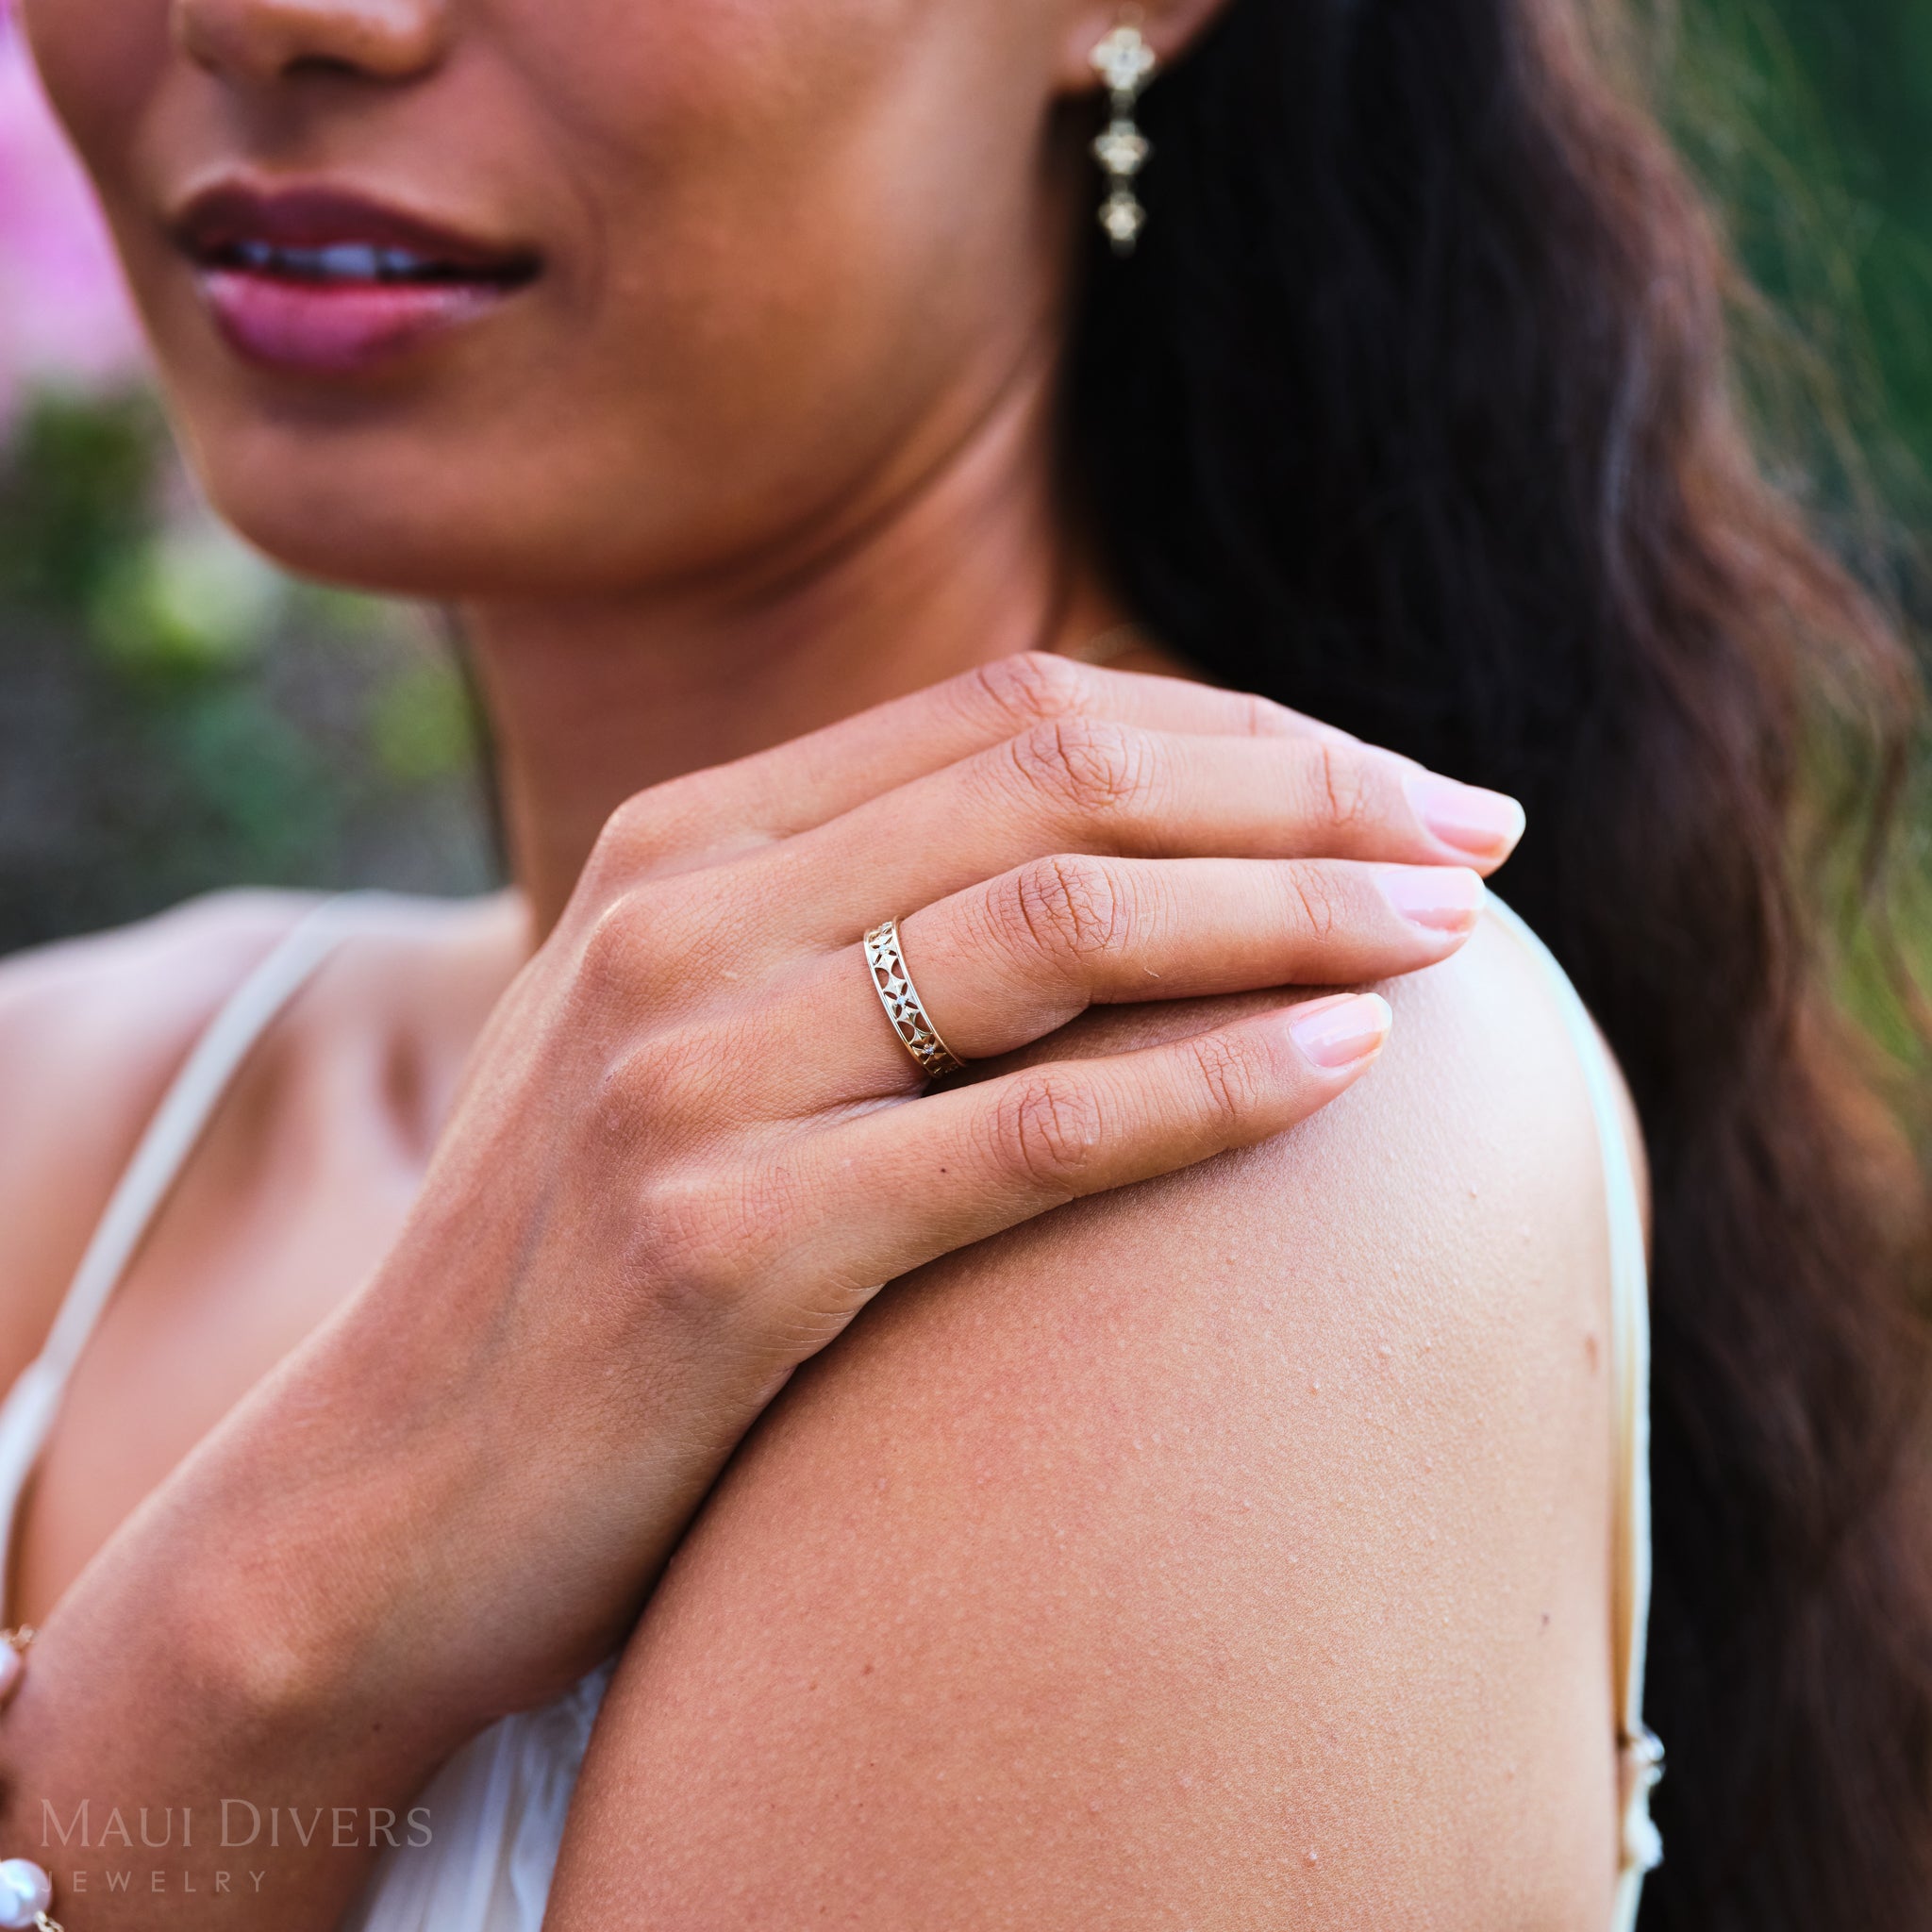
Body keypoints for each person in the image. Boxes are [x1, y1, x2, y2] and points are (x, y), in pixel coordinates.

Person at [1, 0, 1925, 1928]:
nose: (273, 14)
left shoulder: (1232, 1128)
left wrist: (229, 1668)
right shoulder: (68, 1092)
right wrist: (254, 1631)